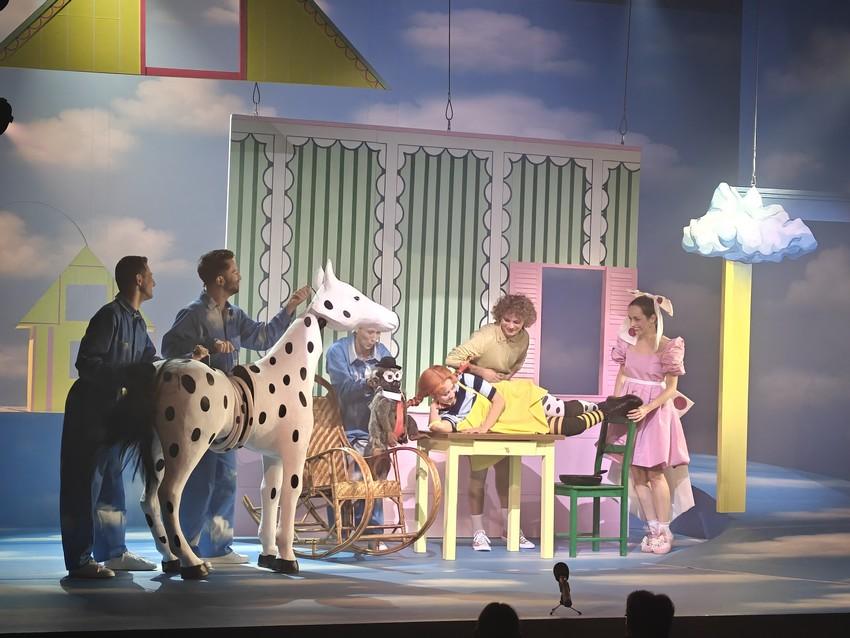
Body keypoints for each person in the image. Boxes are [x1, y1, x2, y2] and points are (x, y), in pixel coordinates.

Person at [161, 249, 311, 564]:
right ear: (219, 279)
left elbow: (263, 337)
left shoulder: (234, 315)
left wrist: (289, 308)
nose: (238, 275)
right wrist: (205, 348)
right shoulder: (193, 314)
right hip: (200, 408)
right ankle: (187, 545)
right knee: (199, 478)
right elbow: (169, 347)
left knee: (226, 478)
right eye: (234, 271)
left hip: (231, 409)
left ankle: (218, 547)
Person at [414, 365, 640, 552]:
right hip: (508, 425)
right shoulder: (448, 414)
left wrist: (483, 427)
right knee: (572, 426)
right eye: (444, 393)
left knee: (564, 410)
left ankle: (604, 406)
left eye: (451, 387)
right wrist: (434, 408)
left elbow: (499, 399)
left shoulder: (465, 381)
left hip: (515, 402)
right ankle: (607, 411)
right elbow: (438, 427)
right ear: (434, 396)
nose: (451, 393)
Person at [444, 294, 597, 552]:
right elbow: (451, 359)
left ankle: (511, 529)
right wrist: (482, 372)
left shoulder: (524, 339)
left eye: (517, 322)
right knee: (479, 474)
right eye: (507, 320)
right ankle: (478, 532)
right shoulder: (486, 336)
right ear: (499, 317)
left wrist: (504, 379)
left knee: (506, 473)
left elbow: (515, 365)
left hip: (504, 403)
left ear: (525, 322)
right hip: (479, 402)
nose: (511, 325)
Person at [60, 256, 161, 578]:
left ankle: (113, 552)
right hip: (89, 412)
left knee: (111, 486)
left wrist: (188, 360)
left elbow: (151, 363)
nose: (154, 280)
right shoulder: (109, 316)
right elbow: (87, 364)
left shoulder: (138, 322)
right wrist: (128, 374)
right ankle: (80, 560)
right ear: (138, 279)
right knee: (84, 485)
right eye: (150, 274)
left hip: (115, 414)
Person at [609, 292, 694, 555]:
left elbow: (671, 389)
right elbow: (621, 377)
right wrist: (615, 405)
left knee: (655, 473)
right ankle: (653, 528)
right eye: (630, 318)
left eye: (637, 319)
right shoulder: (627, 344)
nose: (632, 323)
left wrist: (647, 408)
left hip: (655, 413)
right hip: (631, 411)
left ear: (652, 319)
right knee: (636, 473)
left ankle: (665, 530)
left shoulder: (668, 347)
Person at [325, 325, 392, 550]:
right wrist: (369, 382)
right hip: (343, 428)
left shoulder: (382, 353)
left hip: (373, 430)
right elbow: (343, 390)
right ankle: (342, 530)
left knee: (375, 472)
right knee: (349, 477)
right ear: (357, 329)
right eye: (370, 332)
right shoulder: (338, 351)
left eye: (377, 333)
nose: (374, 338)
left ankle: (372, 533)